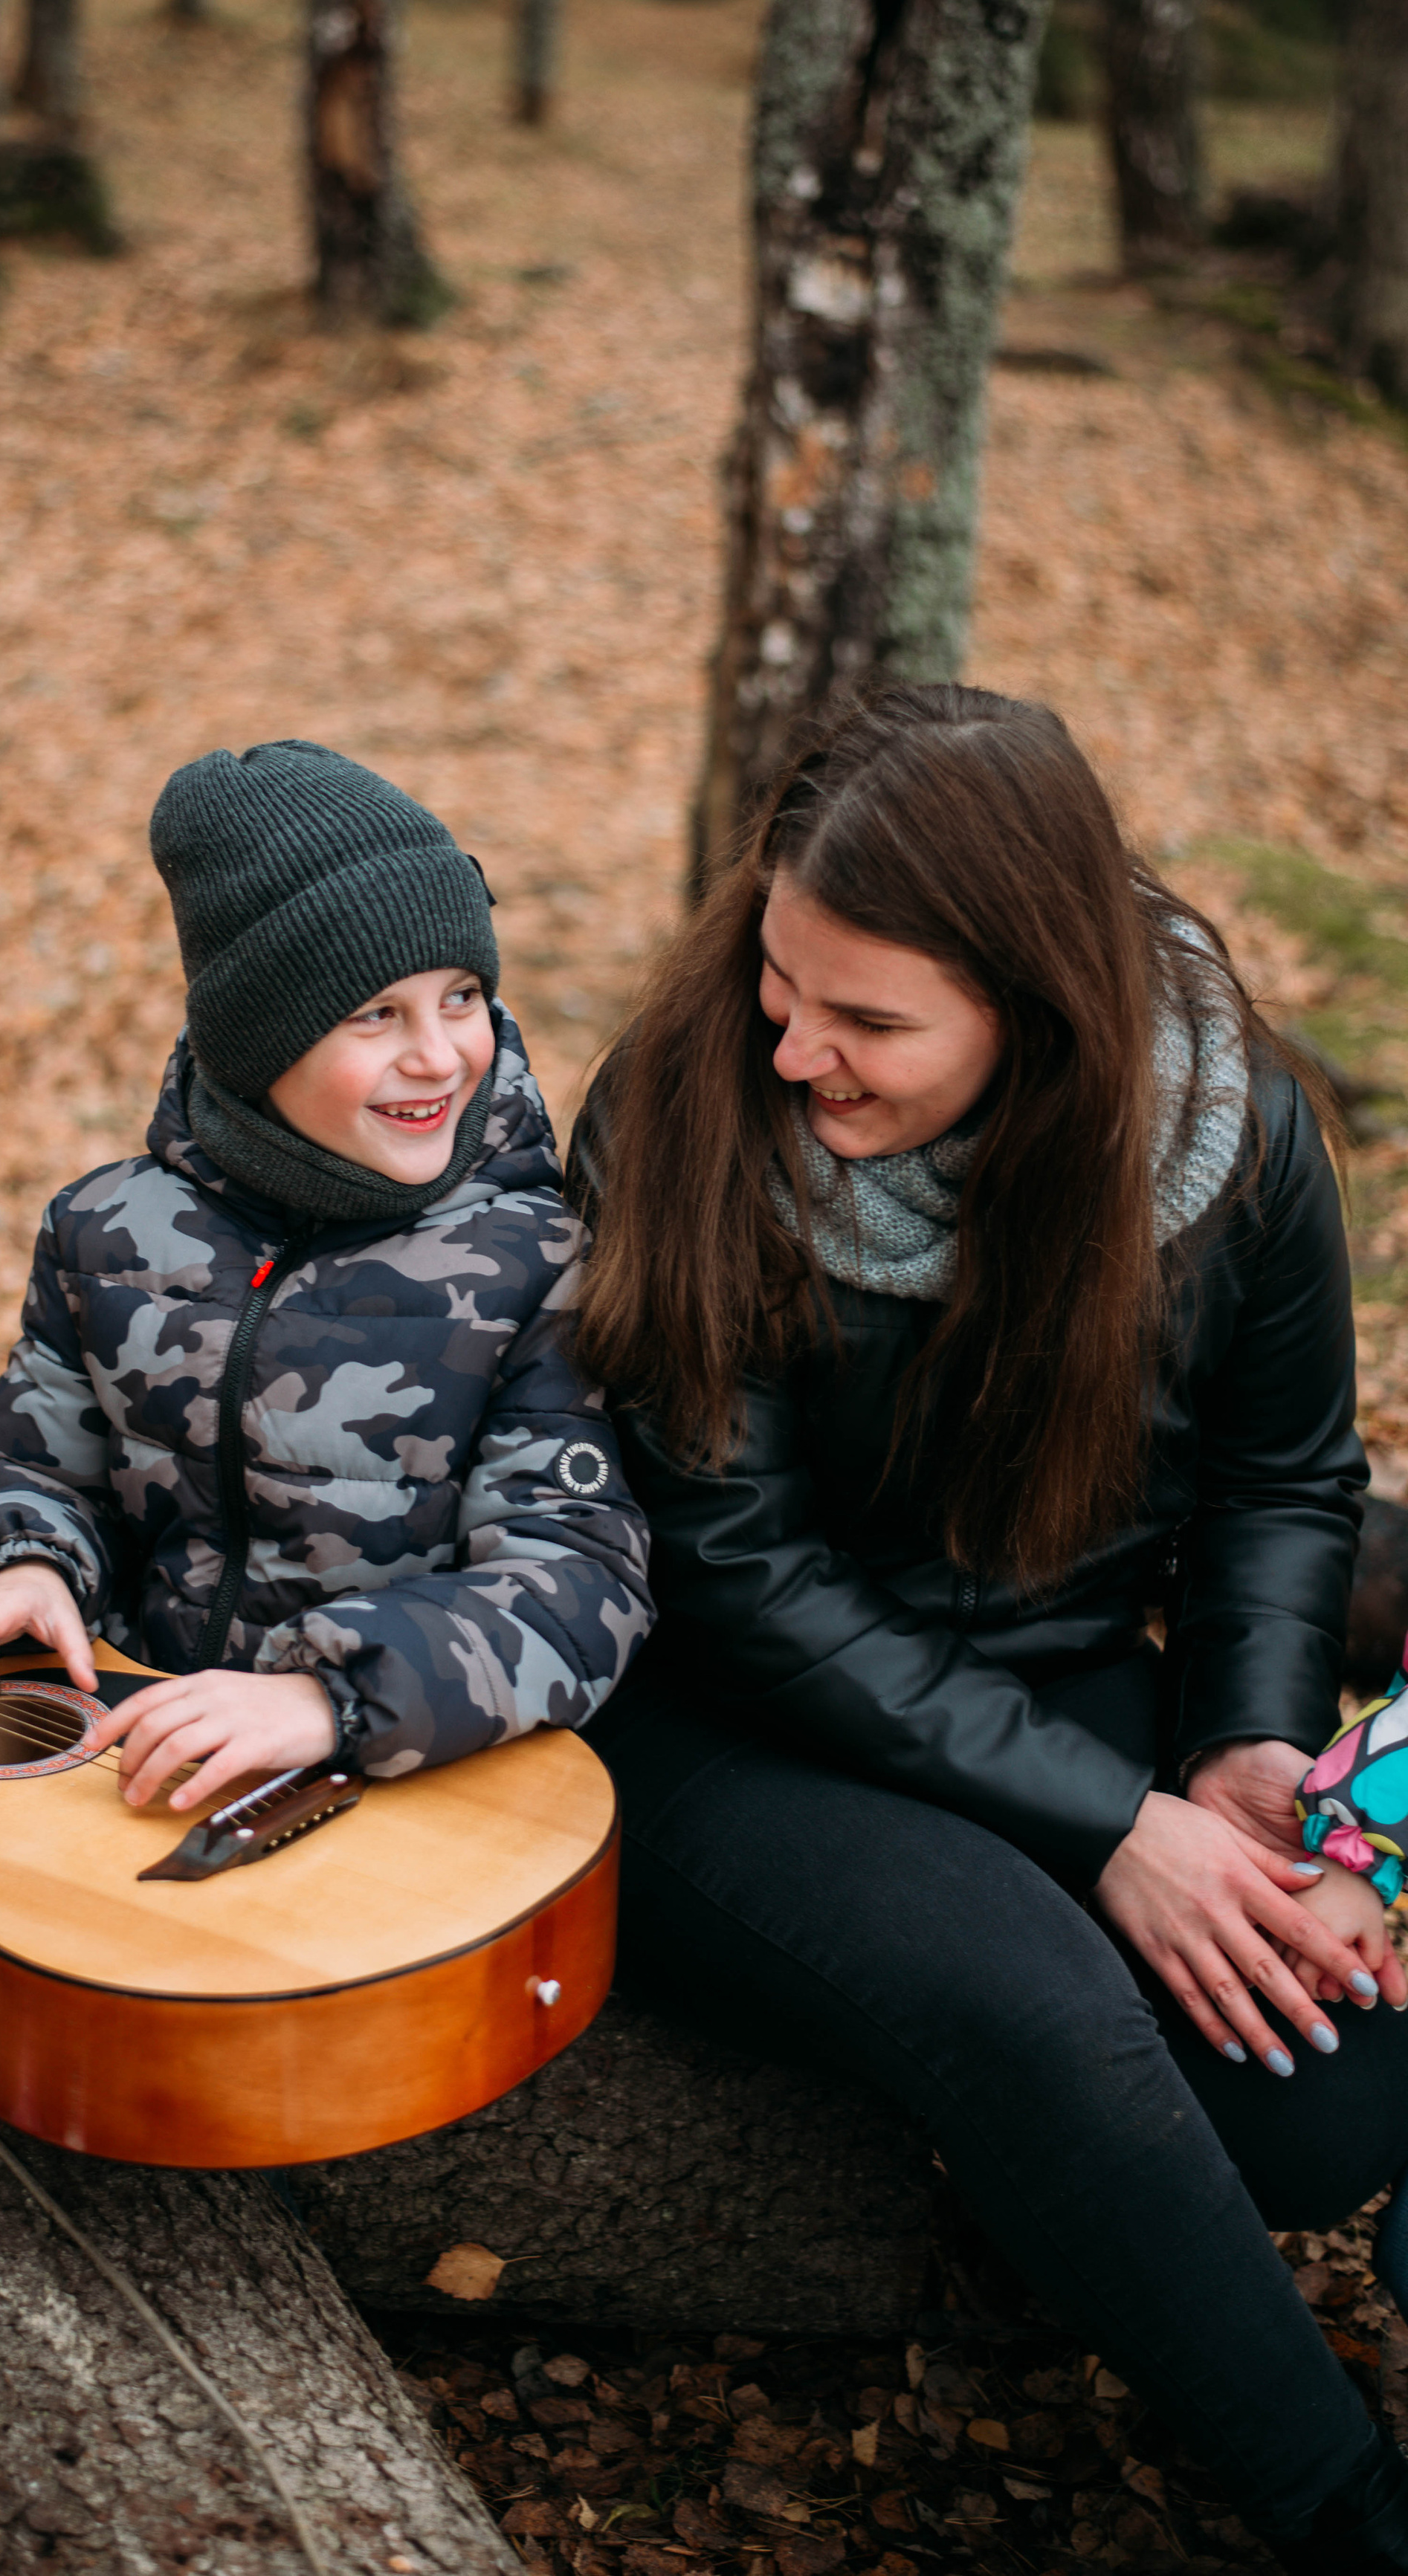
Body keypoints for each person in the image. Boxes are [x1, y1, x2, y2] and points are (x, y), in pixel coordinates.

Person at [0, 740, 652, 2369]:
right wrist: (17, 1563)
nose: (436, 1052)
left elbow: (576, 1576)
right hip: (124, 1755)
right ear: (252, 1032)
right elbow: (34, 1451)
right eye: (371, 1016)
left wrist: (327, 1697)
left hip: (378, 1775)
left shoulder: (536, 1266)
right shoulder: (110, 1234)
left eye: (460, 994)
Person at [568, 685, 1408, 2575]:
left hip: (1053, 1675)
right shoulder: (687, 1105)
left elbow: (1281, 1482)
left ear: (1039, 1010)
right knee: (1033, 2012)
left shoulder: (1237, 1129)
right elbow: (735, 1574)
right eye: (782, 980)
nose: (793, 1049)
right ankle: (1345, 2509)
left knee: (1312, 2112)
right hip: (718, 1725)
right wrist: (1103, 1834)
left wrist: (1238, 1749)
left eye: (864, 1020)